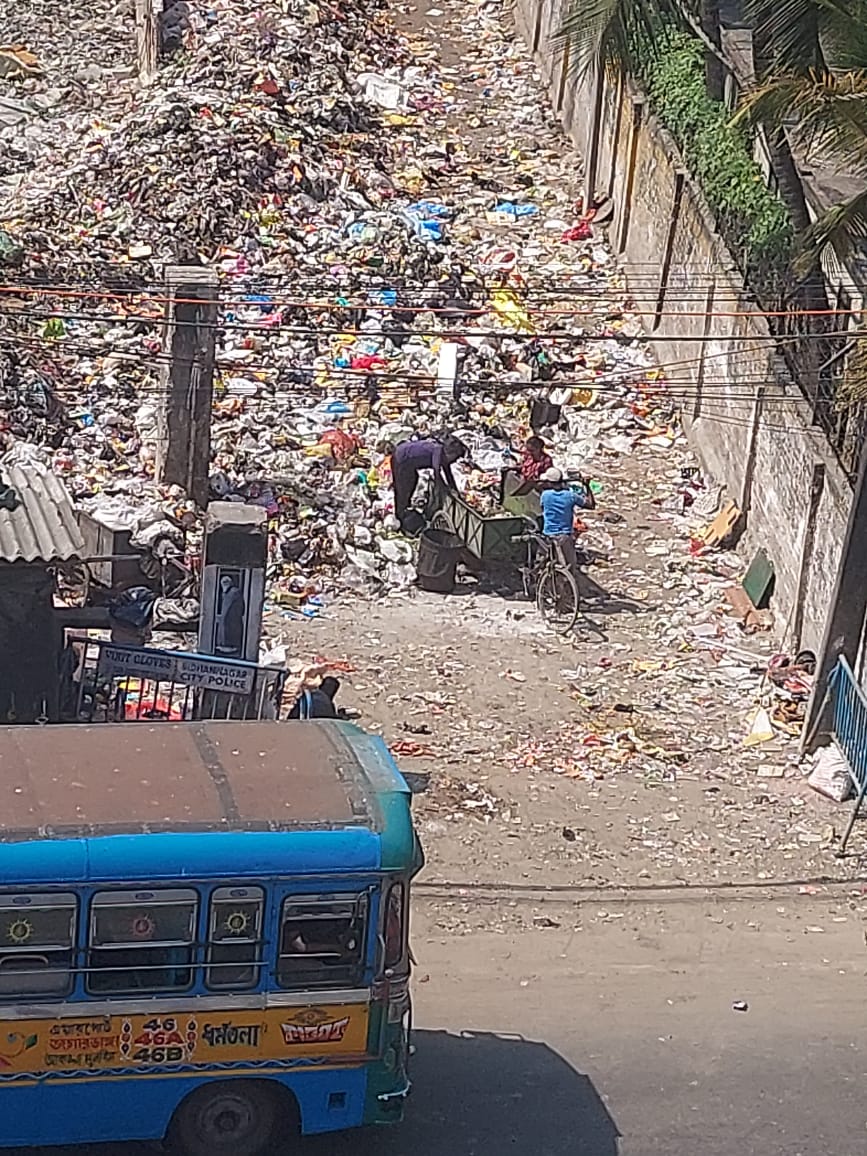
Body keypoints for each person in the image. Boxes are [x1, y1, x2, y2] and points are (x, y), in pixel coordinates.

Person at [391, 435, 468, 526]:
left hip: (409, 463)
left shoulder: (443, 456)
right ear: (451, 453)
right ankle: (400, 517)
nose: (454, 461)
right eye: (455, 457)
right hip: (400, 458)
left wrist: (456, 492)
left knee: (413, 481)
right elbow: (436, 472)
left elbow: (448, 474)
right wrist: (441, 490)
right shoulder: (438, 451)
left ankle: (405, 510)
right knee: (402, 488)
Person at [538, 467, 595, 573]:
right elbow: (591, 505)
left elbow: (542, 508)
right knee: (569, 565)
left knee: (542, 562)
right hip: (565, 535)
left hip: (548, 534)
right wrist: (587, 485)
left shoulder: (545, 496)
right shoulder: (570, 496)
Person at [215, 574, 245, 657]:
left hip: (233, 618)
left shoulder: (235, 592)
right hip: (225, 618)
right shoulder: (225, 593)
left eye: (226, 582)